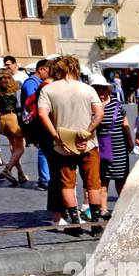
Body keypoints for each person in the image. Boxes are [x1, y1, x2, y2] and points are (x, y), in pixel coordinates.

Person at [37, 55, 104, 226]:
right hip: (88, 143)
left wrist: (56, 137)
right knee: (93, 184)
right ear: (76, 69)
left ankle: (75, 222)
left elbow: (42, 114)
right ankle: (95, 223)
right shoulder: (88, 89)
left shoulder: (48, 90)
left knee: (67, 185)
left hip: (63, 146)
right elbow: (99, 114)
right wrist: (87, 133)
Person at [91, 73, 131, 200]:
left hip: (120, 147)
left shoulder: (116, 103)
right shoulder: (92, 105)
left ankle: (123, 207)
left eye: (103, 88)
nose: (101, 91)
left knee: (121, 179)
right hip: (102, 147)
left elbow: (125, 120)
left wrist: (129, 139)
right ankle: (103, 209)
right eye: (97, 88)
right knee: (104, 179)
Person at [20, 59, 50, 188]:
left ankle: (46, 177)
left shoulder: (38, 82)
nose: (49, 74)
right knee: (43, 149)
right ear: (41, 69)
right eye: (48, 71)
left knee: (44, 149)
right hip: (36, 121)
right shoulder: (31, 83)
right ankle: (45, 180)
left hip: (39, 119)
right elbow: (34, 102)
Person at [0, 71, 25, 185]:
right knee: (20, 148)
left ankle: (20, 174)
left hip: (2, 118)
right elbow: (20, 105)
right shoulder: (15, 90)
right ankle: (7, 169)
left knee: (14, 147)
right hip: (13, 118)